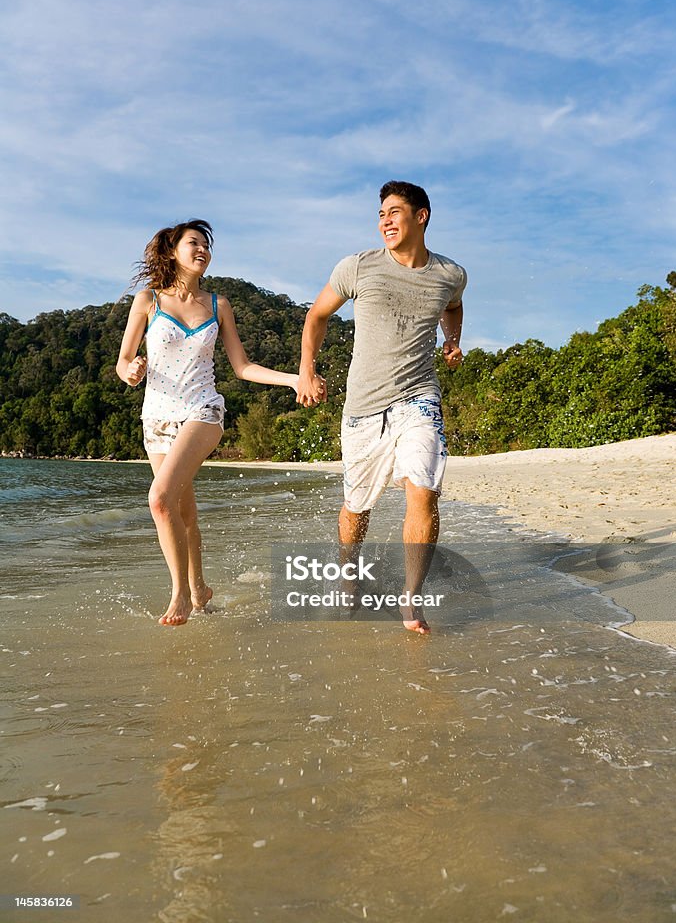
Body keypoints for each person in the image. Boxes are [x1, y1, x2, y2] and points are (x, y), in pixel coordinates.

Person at [296, 182, 466, 634]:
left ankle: (411, 598)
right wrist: (307, 370)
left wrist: (452, 340)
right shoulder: (357, 267)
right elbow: (316, 316)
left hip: (419, 398)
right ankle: (348, 573)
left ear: (422, 216)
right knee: (357, 508)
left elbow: (454, 304)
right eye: (381, 214)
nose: (385, 221)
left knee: (423, 490)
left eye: (394, 212)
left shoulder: (450, 273)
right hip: (364, 408)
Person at [117, 219, 298, 627]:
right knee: (184, 511)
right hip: (156, 419)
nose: (202, 250)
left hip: (203, 411)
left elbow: (243, 366)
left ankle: (179, 592)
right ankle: (200, 589)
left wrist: (292, 379)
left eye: (206, 245)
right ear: (171, 251)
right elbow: (123, 361)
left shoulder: (219, 304)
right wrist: (130, 371)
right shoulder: (148, 301)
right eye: (193, 243)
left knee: (159, 499)